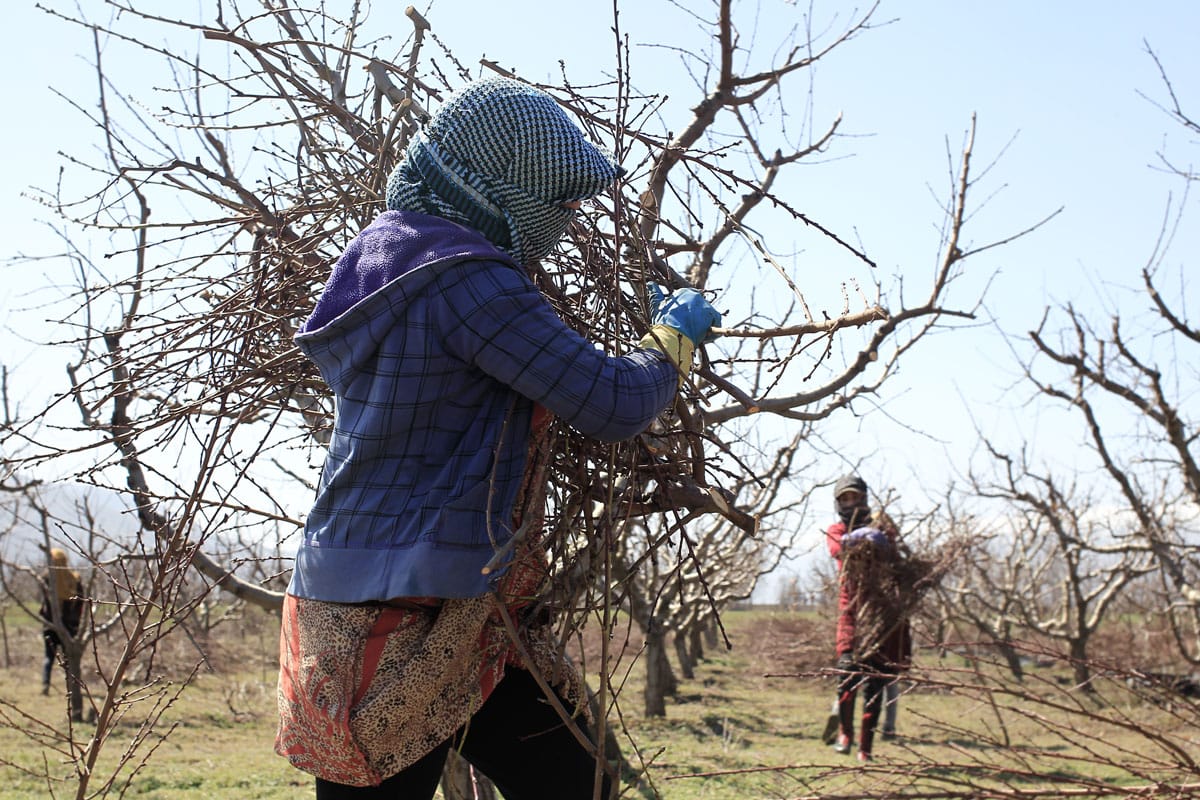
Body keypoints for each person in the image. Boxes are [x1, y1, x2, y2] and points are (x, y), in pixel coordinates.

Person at [274, 76, 722, 800]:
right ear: (497, 185)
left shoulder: (382, 256)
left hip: (395, 596)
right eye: (555, 202)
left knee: (580, 781)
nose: (566, 221)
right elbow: (611, 401)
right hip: (409, 615)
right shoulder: (469, 281)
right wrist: (673, 336)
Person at [824, 474, 911, 762]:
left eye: (854, 497)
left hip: (879, 614)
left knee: (875, 682)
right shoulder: (836, 529)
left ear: (864, 497)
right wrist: (857, 537)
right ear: (838, 503)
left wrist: (881, 537)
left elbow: (893, 556)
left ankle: (865, 748)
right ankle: (845, 733)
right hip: (851, 614)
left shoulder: (881, 525)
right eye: (844, 498)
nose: (850, 502)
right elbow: (838, 548)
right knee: (847, 676)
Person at [40, 547, 84, 695]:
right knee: (69, 658)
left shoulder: (46, 579)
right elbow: (80, 603)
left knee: (48, 657)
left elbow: (45, 602)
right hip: (69, 625)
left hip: (50, 625)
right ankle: (71, 686)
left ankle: (45, 684)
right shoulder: (75, 579)